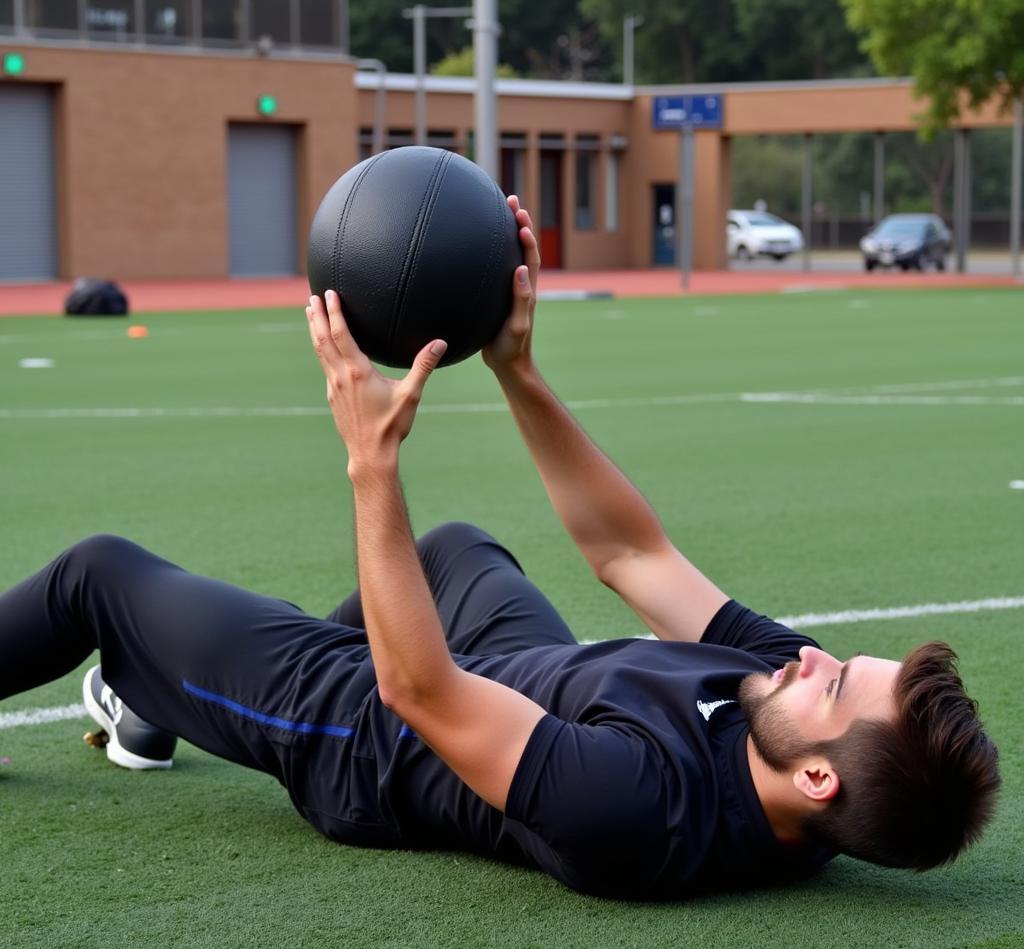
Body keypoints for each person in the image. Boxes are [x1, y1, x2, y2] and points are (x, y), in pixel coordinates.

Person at [0, 200, 999, 900]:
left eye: (831, 686)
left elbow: (420, 692)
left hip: (375, 734)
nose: (811, 656)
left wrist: (369, 462)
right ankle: (175, 682)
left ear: (818, 780)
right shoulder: (785, 705)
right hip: (525, 671)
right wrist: (515, 368)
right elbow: (630, 551)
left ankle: (186, 687)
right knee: (458, 548)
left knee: (100, 572)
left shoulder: (635, 810)